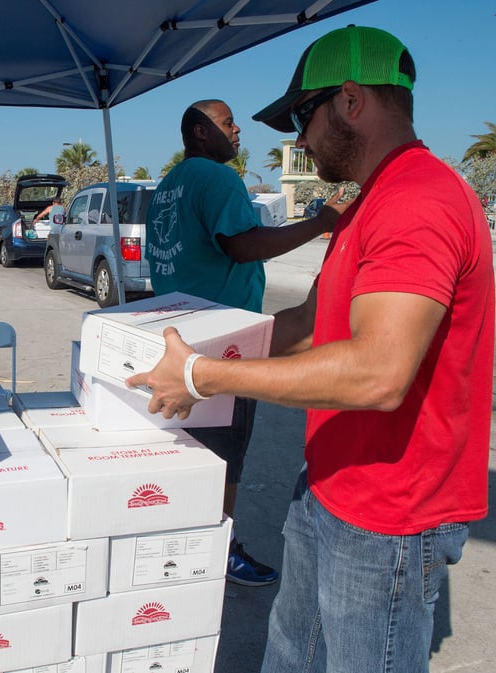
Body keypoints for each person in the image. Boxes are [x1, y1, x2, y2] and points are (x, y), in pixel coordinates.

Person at [128, 26, 494, 673]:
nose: (296, 139)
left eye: (303, 116)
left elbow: (379, 372)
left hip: (390, 511)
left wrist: (203, 374)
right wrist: (200, 353)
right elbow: (306, 318)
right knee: (292, 653)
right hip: (329, 481)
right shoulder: (366, 206)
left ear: (351, 102)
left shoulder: (418, 199)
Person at [145, 98, 346, 588]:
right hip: (224, 342)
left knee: (187, 453)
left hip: (177, 335)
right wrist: (323, 222)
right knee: (224, 460)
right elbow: (243, 243)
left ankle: (177, 542)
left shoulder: (169, 185)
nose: (237, 132)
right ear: (198, 131)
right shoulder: (218, 179)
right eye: (227, 123)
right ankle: (218, 552)